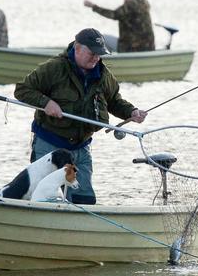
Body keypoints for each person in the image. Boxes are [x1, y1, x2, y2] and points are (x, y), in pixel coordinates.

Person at [13, 28, 147, 205]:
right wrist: (46, 103)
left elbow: (114, 100)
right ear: (77, 48)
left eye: (99, 54)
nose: (96, 58)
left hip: (81, 148)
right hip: (49, 144)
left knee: (85, 201)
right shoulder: (54, 68)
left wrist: (132, 112)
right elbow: (22, 90)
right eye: (92, 53)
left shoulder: (103, 75)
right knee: (44, 199)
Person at [83, 0, 155, 52]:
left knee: (101, 39)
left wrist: (93, 6)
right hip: (149, 47)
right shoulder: (144, 4)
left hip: (132, 48)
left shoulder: (130, 6)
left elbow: (113, 15)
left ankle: (109, 62)